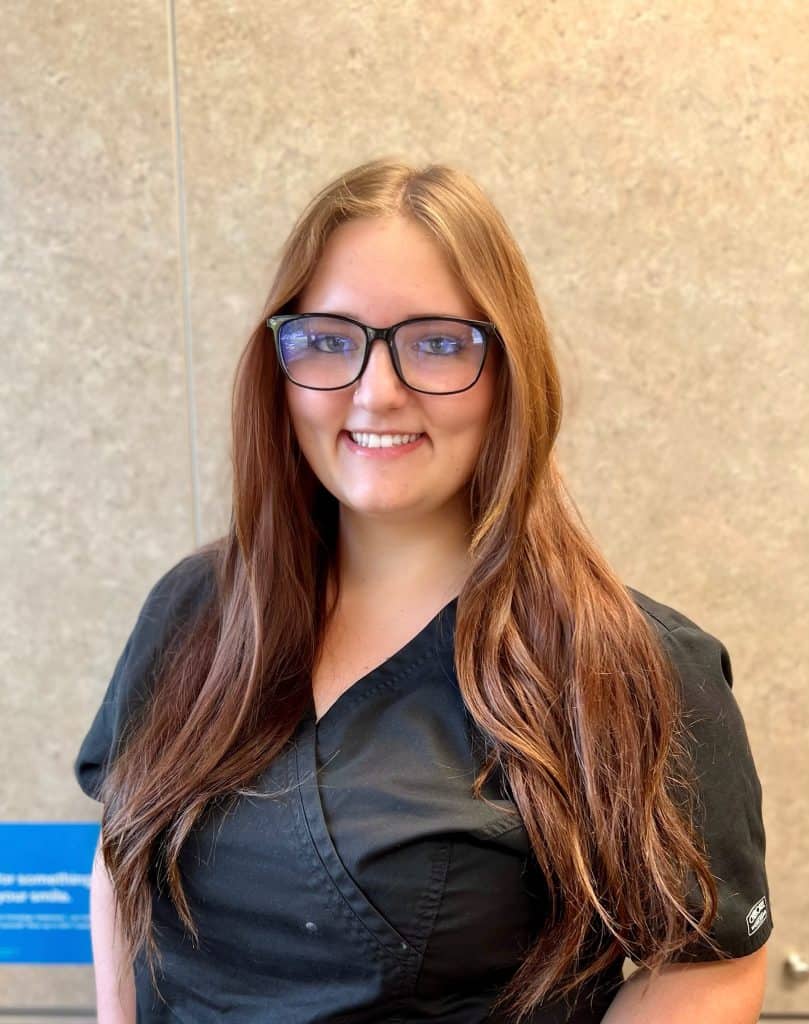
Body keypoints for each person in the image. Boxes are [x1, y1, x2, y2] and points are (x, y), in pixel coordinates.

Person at [74, 157, 773, 1024]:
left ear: (507, 369)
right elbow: (116, 853)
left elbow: (706, 964)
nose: (375, 393)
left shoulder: (627, 664)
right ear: (279, 367)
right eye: (328, 339)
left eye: (436, 342)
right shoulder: (196, 611)